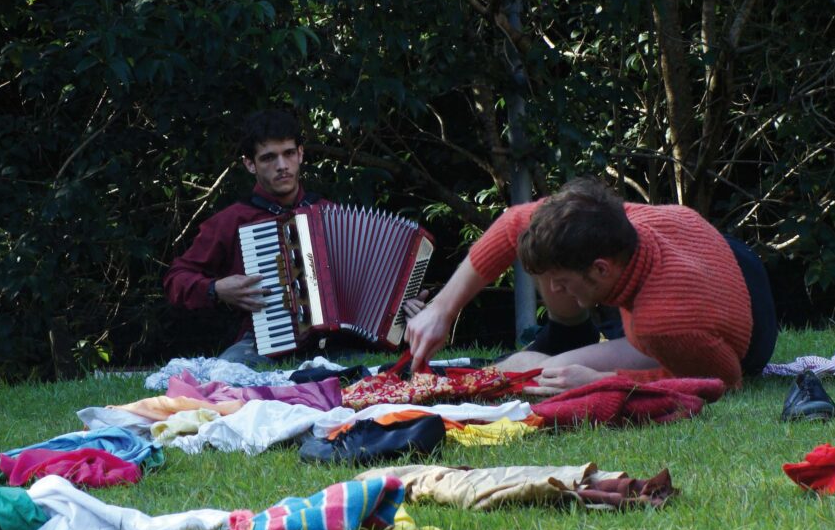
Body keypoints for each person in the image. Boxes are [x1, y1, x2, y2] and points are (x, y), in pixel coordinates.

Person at [406, 177, 777, 392]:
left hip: (730, 324)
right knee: (540, 245)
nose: (552, 290)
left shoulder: (663, 325)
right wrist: (442, 309)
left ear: (600, 269)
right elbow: (512, 223)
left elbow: (724, 380)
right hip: (712, 254)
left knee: (529, 373)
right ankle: (568, 331)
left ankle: (566, 345)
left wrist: (600, 380)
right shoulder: (622, 221)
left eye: (563, 283)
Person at [165, 109, 427, 365]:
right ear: (250, 164)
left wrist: (402, 307)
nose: (282, 166)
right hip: (261, 343)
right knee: (226, 377)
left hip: (338, 344)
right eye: (268, 158)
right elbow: (176, 278)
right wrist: (215, 289)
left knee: (380, 374)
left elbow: (378, 286)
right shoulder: (232, 220)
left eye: (289, 153)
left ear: (300, 154)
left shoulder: (329, 214)